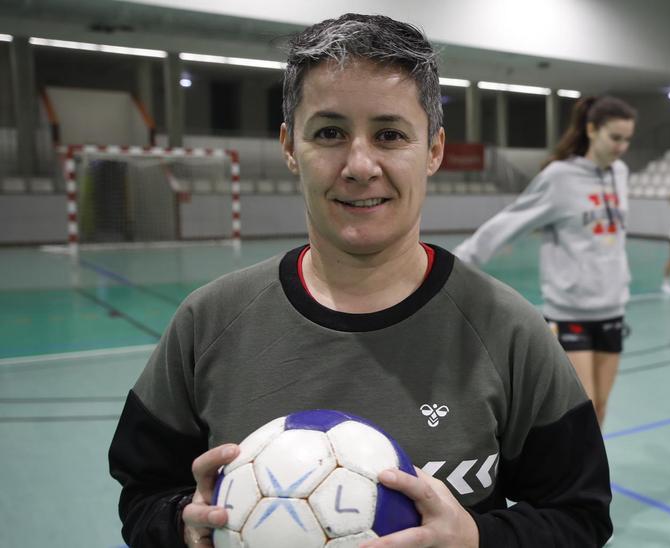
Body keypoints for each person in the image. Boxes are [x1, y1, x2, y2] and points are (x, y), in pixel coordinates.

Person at [107, 14, 611, 547]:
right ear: (288, 147)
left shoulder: (507, 330)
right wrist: (182, 528)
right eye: (330, 133)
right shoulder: (207, 321)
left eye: (390, 135)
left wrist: (477, 540)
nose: (360, 164)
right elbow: (143, 494)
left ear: (434, 150)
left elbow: (579, 515)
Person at [453, 95, 636, 428]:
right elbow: (510, 220)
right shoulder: (560, 177)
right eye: (615, 137)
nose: (622, 147)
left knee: (601, 408)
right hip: (571, 310)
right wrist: (457, 263)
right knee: (583, 408)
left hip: (613, 307)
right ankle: (572, 478)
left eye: (627, 139)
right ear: (592, 130)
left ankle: (590, 476)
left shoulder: (620, 173)